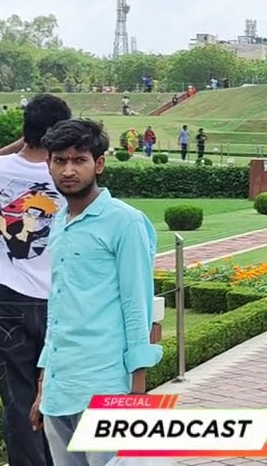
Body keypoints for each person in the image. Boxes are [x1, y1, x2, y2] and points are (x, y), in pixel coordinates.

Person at [30, 119, 164, 465]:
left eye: (79, 160)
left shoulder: (125, 222)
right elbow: (58, 306)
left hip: (105, 385)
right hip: (61, 389)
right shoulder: (60, 220)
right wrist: (45, 383)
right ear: (49, 164)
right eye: (60, 160)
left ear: (99, 164)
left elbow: (138, 306)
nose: (69, 170)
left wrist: (137, 393)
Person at [0, 95, 72, 466]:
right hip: (62, 299)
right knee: (68, 397)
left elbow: (5, 153)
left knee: (18, 402)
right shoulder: (69, 173)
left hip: (5, 299)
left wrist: (25, 141)